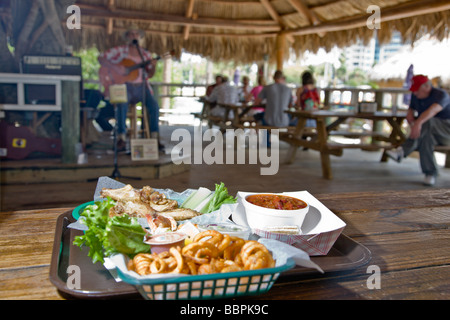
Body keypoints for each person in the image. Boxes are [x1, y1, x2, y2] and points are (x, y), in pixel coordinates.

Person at [98, 25, 162, 152]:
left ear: (139, 37)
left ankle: (155, 138)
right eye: (131, 34)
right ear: (127, 37)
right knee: (122, 105)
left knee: (154, 106)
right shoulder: (120, 50)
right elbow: (101, 58)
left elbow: (149, 74)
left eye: (136, 34)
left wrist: (153, 66)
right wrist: (116, 68)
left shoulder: (146, 54)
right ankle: (121, 138)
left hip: (142, 87)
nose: (134, 36)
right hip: (125, 86)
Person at [386, 74, 450, 186]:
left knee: (427, 121)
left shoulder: (441, 95)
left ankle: (403, 150)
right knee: (426, 138)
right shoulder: (416, 96)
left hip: (446, 133)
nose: (414, 93)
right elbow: (410, 112)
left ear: (426, 87)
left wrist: (418, 123)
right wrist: (411, 120)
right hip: (431, 134)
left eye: (417, 90)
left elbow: (432, 111)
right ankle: (430, 173)